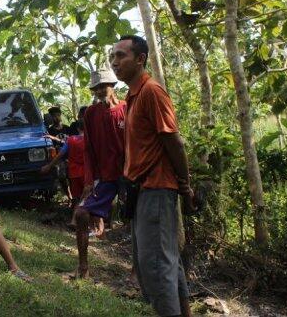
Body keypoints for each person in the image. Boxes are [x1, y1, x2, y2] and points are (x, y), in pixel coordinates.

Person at [111, 35, 195, 317]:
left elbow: (174, 142)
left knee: (157, 268)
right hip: (143, 190)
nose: (114, 62)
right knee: (168, 265)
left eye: (121, 55)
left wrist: (185, 185)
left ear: (140, 59)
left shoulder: (152, 92)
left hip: (157, 190)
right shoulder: (133, 95)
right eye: (112, 56)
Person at [72, 67, 127, 279]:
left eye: (103, 86)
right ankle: (83, 266)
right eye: (96, 88)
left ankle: (135, 271)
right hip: (104, 177)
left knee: (137, 221)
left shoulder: (126, 108)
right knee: (81, 214)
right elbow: (88, 149)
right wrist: (88, 179)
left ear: (112, 86)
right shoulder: (91, 114)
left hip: (128, 174)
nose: (100, 90)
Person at [41, 120, 85, 208]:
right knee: (88, 198)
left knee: (77, 199)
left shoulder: (71, 140)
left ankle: (75, 219)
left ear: (77, 129)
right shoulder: (91, 140)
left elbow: (60, 155)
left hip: (74, 173)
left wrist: (49, 166)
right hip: (87, 173)